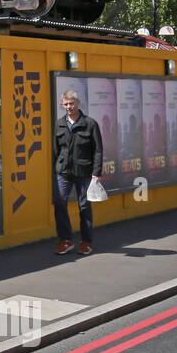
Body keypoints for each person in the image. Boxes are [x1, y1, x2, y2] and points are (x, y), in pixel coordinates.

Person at [52, 89, 103, 255]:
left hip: (84, 171)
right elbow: (56, 149)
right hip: (63, 171)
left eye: (71, 103)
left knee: (84, 207)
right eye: (65, 104)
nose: (68, 107)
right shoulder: (60, 124)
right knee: (59, 203)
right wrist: (57, 167)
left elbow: (97, 150)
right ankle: (65, 240)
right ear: (62, 105)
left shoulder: (90, 124)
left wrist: (96, 172)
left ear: (78, 103)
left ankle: (86, 242)